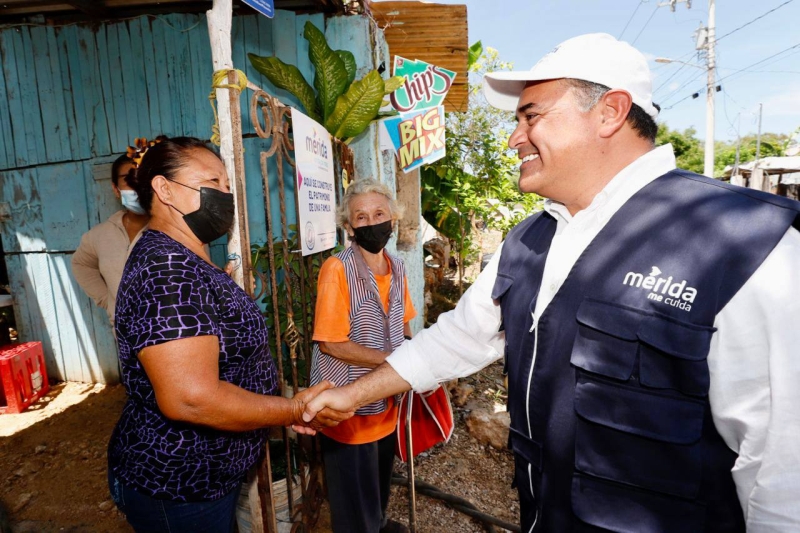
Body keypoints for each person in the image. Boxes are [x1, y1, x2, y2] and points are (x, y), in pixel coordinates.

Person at [302, 33, 800, 533]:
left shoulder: (744, 247)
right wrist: (351, 394)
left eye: (531, 117)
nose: (515, 138)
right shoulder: (530, 240)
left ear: (610, 112)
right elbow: (458, 339)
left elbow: (781, 472)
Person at [108, 136, 351, 533]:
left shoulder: (183, 256)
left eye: (226, 185)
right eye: (213, 182)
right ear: (164, 189)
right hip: (180, 484)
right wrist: (290, 410)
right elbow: (191, 398)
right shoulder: (168, 269)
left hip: (210, 473)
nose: (225, 194)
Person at [310, 178, 415, 533]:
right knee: (354, 507)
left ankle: (379, 523)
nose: (372, 223)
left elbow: (404, 326)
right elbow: (331, 343)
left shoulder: (397, 267)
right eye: (361, 217)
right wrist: (397, 364)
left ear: (393, 217)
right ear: (349, 226)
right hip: (348, 409)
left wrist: (416, 359)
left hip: (384, 403)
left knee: (378, 487)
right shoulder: (336, 269)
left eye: (379, 213)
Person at [72, 153, 149, 325]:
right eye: (128, 179)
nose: (137, 185)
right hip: (126, 336)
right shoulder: (100, 235)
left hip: (173, 335)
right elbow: (81, 264)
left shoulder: (176, 229)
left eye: (143, 177)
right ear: (116, 189)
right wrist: (108, 302)